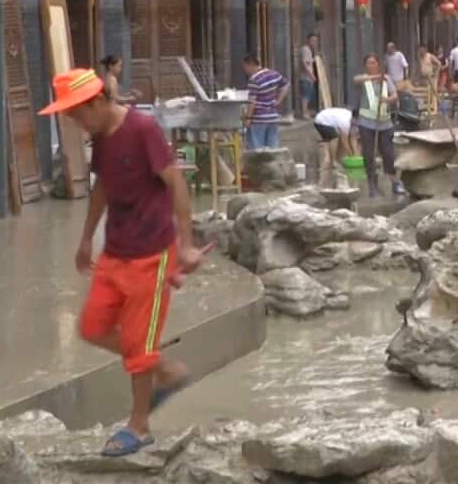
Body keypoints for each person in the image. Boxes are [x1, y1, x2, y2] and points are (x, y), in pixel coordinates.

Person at [39, 68, 207, 457]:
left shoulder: (143, 129)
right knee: (92, 326)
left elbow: (175, 183)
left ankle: (139, 426)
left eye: (78, 114)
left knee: (138, 344)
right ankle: (166, 371)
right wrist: (85, 239)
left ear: (97, 102)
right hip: (116, 251)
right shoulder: (101, 138)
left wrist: (186, 243)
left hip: (152, 253)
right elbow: (103, 187)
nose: (77, 123)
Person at [354, 53, 404, 198]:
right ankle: (372, 184)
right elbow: (356, 80)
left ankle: (395, 182)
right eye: (369, 63)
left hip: (384, 123)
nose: (372, 65)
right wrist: (376, 77)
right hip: (366, 123)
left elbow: (395, 95)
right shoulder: (364, 80)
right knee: (368, 155)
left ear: (378, 64)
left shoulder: (386, 79)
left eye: (374, 63)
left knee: (389, 155)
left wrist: (387, 100)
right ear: (365, 66)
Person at [242, 54, 287, 149]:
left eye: (245, 67)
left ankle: (259, 164)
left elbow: (252, 101)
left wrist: (248, 118)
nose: (245, 71)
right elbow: (286, 85)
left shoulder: (254, 79)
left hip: (258, 119)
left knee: (257, 150)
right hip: (272, 117)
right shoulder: (273, 74)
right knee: (272, 148)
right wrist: (278, 100)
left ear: (251, 65)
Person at [313, 106, 355, 179]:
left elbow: (351, 139)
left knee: (339, 138)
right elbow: (345, 142)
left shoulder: (349, 117)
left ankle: (337, 160)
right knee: (335, 138)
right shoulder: (346, 121)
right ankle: (333, 162)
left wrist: (354, 155)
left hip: (326, 120)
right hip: (320, 121)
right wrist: (352, 156)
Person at [299, 34, 319, 119]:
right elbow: (305, 63)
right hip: (306, 77)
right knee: (306, 96)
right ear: (308, 40)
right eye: (313, 40)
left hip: (308, 77)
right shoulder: (305, 49)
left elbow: (309, 61)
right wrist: (312, 75)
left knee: (309, 95)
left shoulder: (309, 51)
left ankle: (307, 111)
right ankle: (304, 113)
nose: (314, 43)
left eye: (315, 41)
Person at [418, 44, 442, 110]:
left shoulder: (430, 56)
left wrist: (436, 73)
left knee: (433, 92)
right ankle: (427, 108)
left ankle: (434, 109)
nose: (421, 51)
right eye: (419, 50)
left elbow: (439, 64)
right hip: (423, 78)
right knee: (425, 93)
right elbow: (420, 67)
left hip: (431, 77)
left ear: (425, 50)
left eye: (422, 50)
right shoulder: (420, 57)